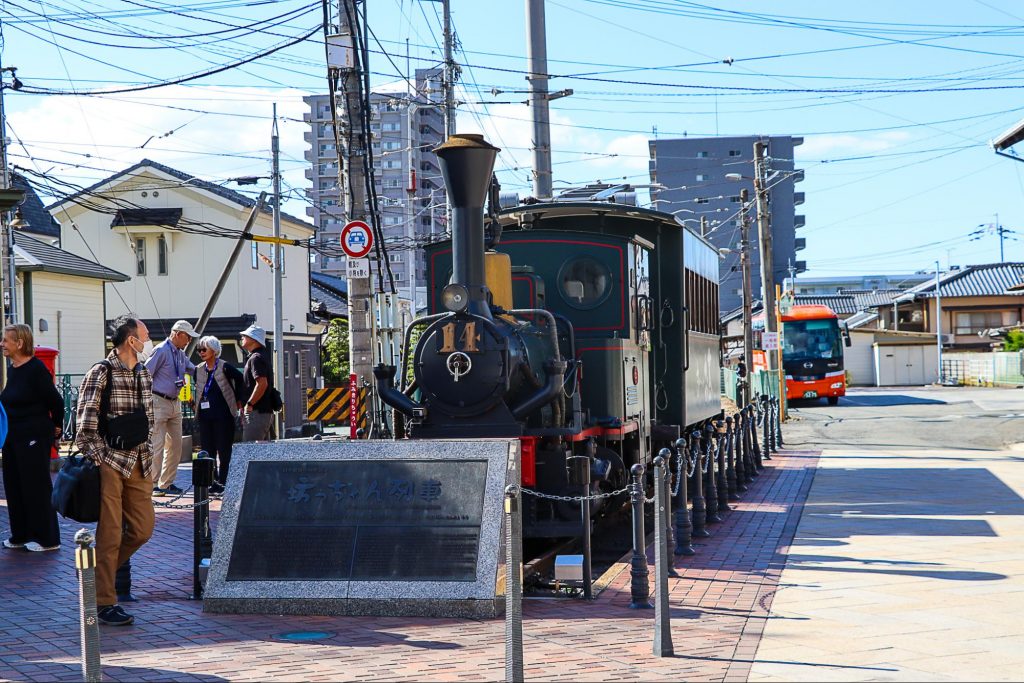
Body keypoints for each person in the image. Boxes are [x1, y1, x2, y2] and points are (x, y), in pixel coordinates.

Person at [75, 315, 155, 626]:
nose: (147, 339)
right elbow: (84, 427)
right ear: (130, 339)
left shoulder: (144, 373)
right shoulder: (101, 372)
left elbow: (147, 421)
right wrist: (102, 459)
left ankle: (94, 577)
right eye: (144, 334)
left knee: (142, 530)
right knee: (108, 535)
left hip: (141, 462)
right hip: (111, 463)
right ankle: (103, 601)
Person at [0, 324, 64, 552]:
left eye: (6, 340)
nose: (2, 344)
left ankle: (47, 539)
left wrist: (57, 426)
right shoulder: (14, 369)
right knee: (14, 485)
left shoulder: (36, 369)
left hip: (34, 435)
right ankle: (21, 534)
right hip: (12, 436)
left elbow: (56, 402)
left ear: (19, 343)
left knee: (35, 486)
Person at [146, 320, 198, 496]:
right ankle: (153, 484)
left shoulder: (180, 354)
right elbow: (145, 373)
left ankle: (166, 483)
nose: (189, 341)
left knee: (176, 445)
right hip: (158, 400)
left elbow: (194, 370)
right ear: (177, 334)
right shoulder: (161, 350)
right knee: (157, 444)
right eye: (188, 337)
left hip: (175, 403)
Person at [193, 335, 244, 494]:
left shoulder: (225, 366)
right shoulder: (198, 369)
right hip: (205, 416)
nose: (201, 352)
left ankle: (224, 481)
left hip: (223, 415)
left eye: (204, 349)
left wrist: (239, 400)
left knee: (224, 449)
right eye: (199, 350)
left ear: (214, 351)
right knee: (208, 450)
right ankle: (212, 482)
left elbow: (241, 379)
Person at [239, 324, 275, 442]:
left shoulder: (256, 358)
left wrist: (249, 404)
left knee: (250, 451)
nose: (242, 336)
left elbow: (262, 383)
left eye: (246, 335)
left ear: (254, 339)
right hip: (263, 412)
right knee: (263, 454)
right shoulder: (261, 356)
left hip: (257, 412)